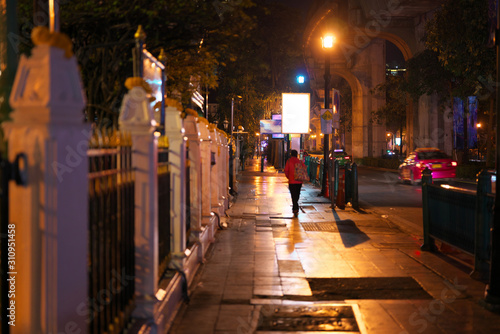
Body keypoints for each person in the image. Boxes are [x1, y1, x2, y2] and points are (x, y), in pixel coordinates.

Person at [284, 149, 303, 217]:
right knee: (297, 194)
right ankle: (295, 207)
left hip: (292, 181)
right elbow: (303, 170)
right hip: (299, 181)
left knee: (293, 194)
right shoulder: (300, 161)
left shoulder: (289, 161)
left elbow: (286, 171)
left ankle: (295, 207)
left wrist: (289, 177)